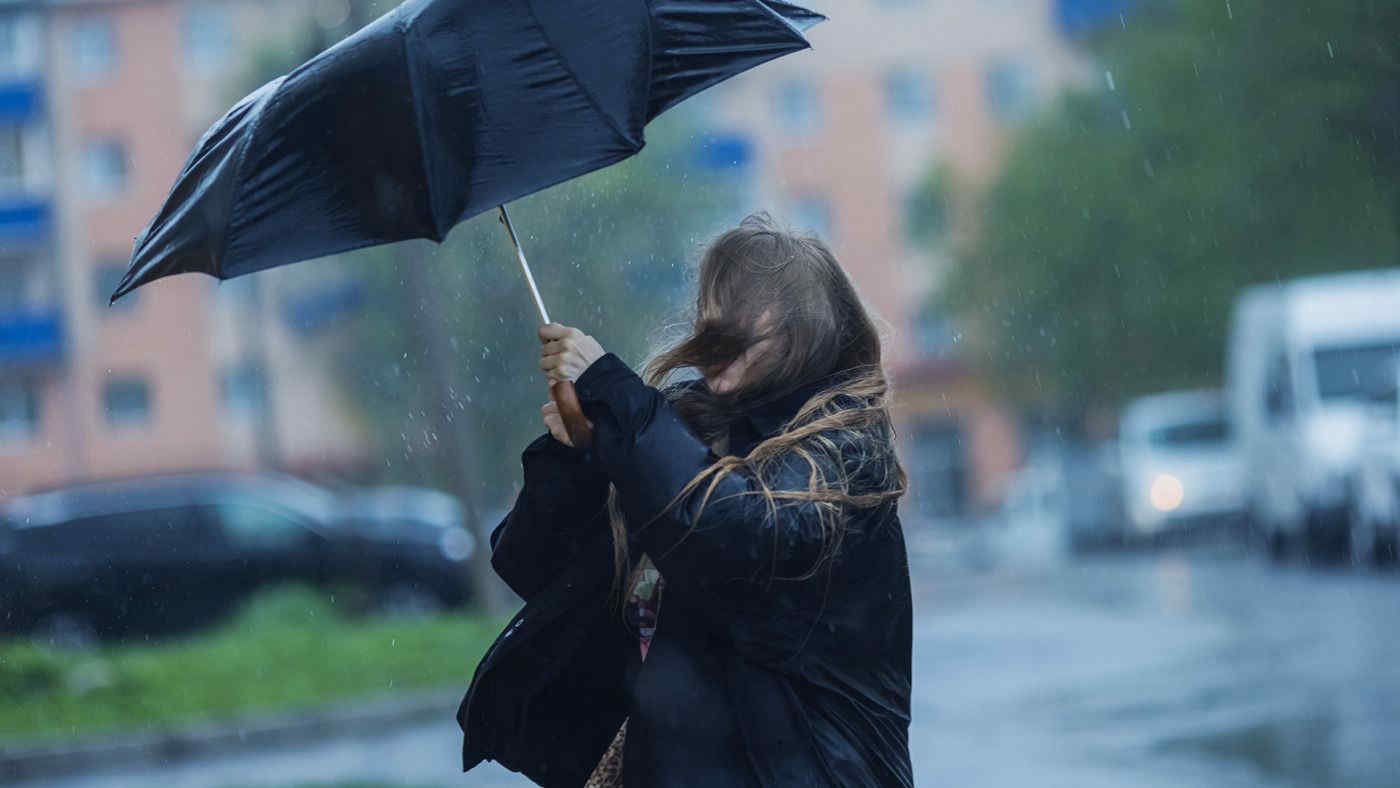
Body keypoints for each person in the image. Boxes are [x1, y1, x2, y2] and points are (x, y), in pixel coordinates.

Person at [457, 214, 913, 787]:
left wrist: (618, 398)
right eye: (712, 306)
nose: (715, 324)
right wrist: (579, 453)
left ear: (806, 327)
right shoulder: (679, 435)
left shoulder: (844, 452)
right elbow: (535, 565)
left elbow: (736, 536)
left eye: (744, 308)